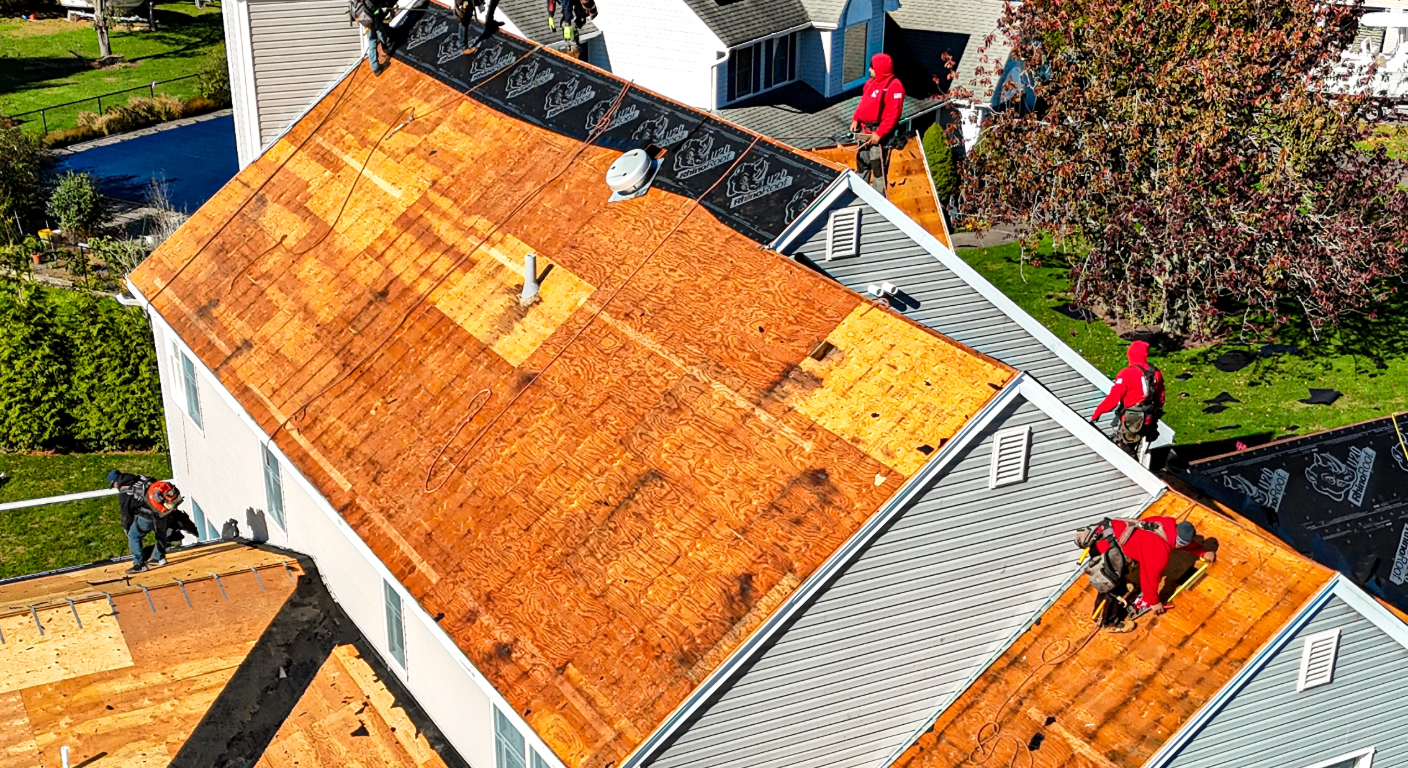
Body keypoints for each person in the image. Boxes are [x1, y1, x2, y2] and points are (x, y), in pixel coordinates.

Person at [1093, 517, 1215, 620]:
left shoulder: (1164, 524)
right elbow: (1149, 577)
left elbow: (1178, 540)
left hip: (1104, 532)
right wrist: (1153, 602)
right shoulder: (1159, 553)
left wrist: (1202, 552)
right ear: (1179, 544)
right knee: (1114, 586)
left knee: (1136, 566)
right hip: (1105, 548)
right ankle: (1108, 621)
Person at [1091, 340, 1165, 457]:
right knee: (1133, 444)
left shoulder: (1127, 374)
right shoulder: (1155, 373)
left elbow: (1113, 399)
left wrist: (1098, 412)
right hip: (1148, 419)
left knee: (1123, 450)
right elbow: (1160, 397)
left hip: (1132, 421)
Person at [849, 53, 906, 195]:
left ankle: (878, 200)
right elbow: (863, 103)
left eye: (872, 68)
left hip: (879, 137)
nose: (869, 70)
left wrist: (879, 133)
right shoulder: (871, 83)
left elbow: (893, 115)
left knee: (878, 168)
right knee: (862, 163)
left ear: (880, 69)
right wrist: (856, 119)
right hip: (865, 132)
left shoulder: (894, 87)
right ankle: (859, 195)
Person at [351, 0, 395, 76]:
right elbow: (376, 10)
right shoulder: (367, 1)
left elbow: (354, 17)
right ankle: (389, 46)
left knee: (372, 43)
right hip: (374, 21)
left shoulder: (352, 3)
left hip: (366, 24)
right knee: (381, 34)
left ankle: (375, 67)